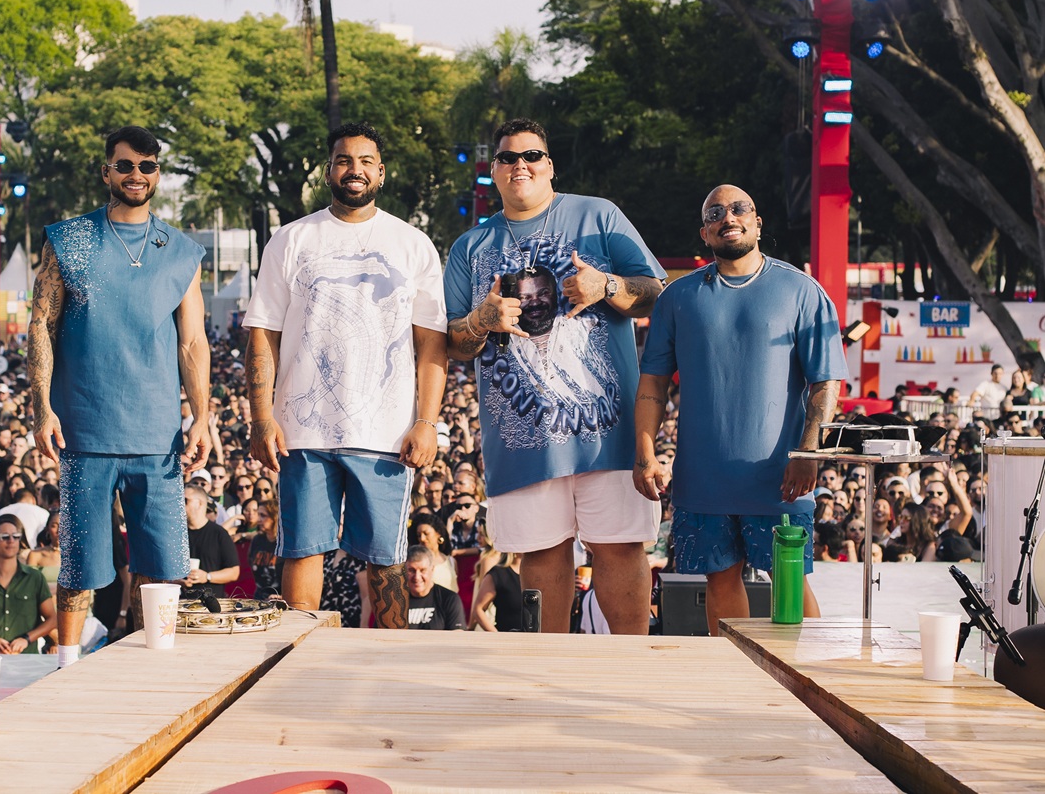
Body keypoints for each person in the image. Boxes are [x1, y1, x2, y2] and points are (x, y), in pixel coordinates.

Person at [443, 118, 665, 634]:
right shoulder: (469, 248)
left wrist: (604, 284)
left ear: (550, 165)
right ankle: (551, 669)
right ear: (493, 172)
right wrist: (481, 319)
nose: (520, 165)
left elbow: (657, 291)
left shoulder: (598, 216)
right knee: (541, 555)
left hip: (607, 431)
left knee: (620, 548)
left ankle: (633, 665)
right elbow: (453, 344)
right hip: (522, 440)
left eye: (532, 156)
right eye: (508, 158)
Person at [243, 122, 447, 630]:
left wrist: (428, 422)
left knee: (387, 559)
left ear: (380, 171)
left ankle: (394, 669)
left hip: (386, 433)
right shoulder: (291, 239)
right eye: (343, 160)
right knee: (303, 551)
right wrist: (262, 418)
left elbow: (432, 344)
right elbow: (262, 336)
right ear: (329, 170)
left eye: (364, 161)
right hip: (302, 430)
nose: (354, 170)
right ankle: (294, 666)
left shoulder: (412, 244)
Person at [29, 125, 211, 668]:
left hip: (158, 434)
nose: (137, 175)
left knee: (164, 565)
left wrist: (203, 416)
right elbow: (41, 324)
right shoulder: (69, 238)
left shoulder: (181, 251)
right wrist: (42, 407)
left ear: (158, 174)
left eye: (148, 166)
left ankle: (155, 664)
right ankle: (66, 667)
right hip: (84, 428)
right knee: (79, 565)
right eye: (126, 165)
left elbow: (193, 339)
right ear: (106, 170)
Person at [634, 184, 847, 635]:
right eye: (715, 213)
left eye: (738, 209)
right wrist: (646, 453)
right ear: (704, 233)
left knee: (790, 582)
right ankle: (739, 680)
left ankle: (811, 687)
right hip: (703, 477)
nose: (727, 217)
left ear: (757, 222)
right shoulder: (678, 297)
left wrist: (808, 452)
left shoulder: (801, 290)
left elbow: (825, 382)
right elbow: (652, 383)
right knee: (720, 580)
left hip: (779, 478)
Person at [0, 515, 56, 654]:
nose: (11, 540)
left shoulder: (34, 578)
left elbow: (52, 619)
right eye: (4, 536)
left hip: (27, 660)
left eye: (16, 536)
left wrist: (26, 639)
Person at [183, 487, 240, 598]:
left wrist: (207, 576)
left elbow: (234, 572)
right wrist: (177, 581)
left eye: (185, 500)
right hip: (182, 603)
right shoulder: (177, 534)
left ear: (199, 503)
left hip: (211, 606)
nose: (180, 504)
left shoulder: (219, 533)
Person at [404, 546, 466, 630]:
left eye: (423, 570)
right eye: (411, 570)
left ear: (432, 569)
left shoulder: (449, 599)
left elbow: (458, 636)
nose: (417, 577)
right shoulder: (396, 601)